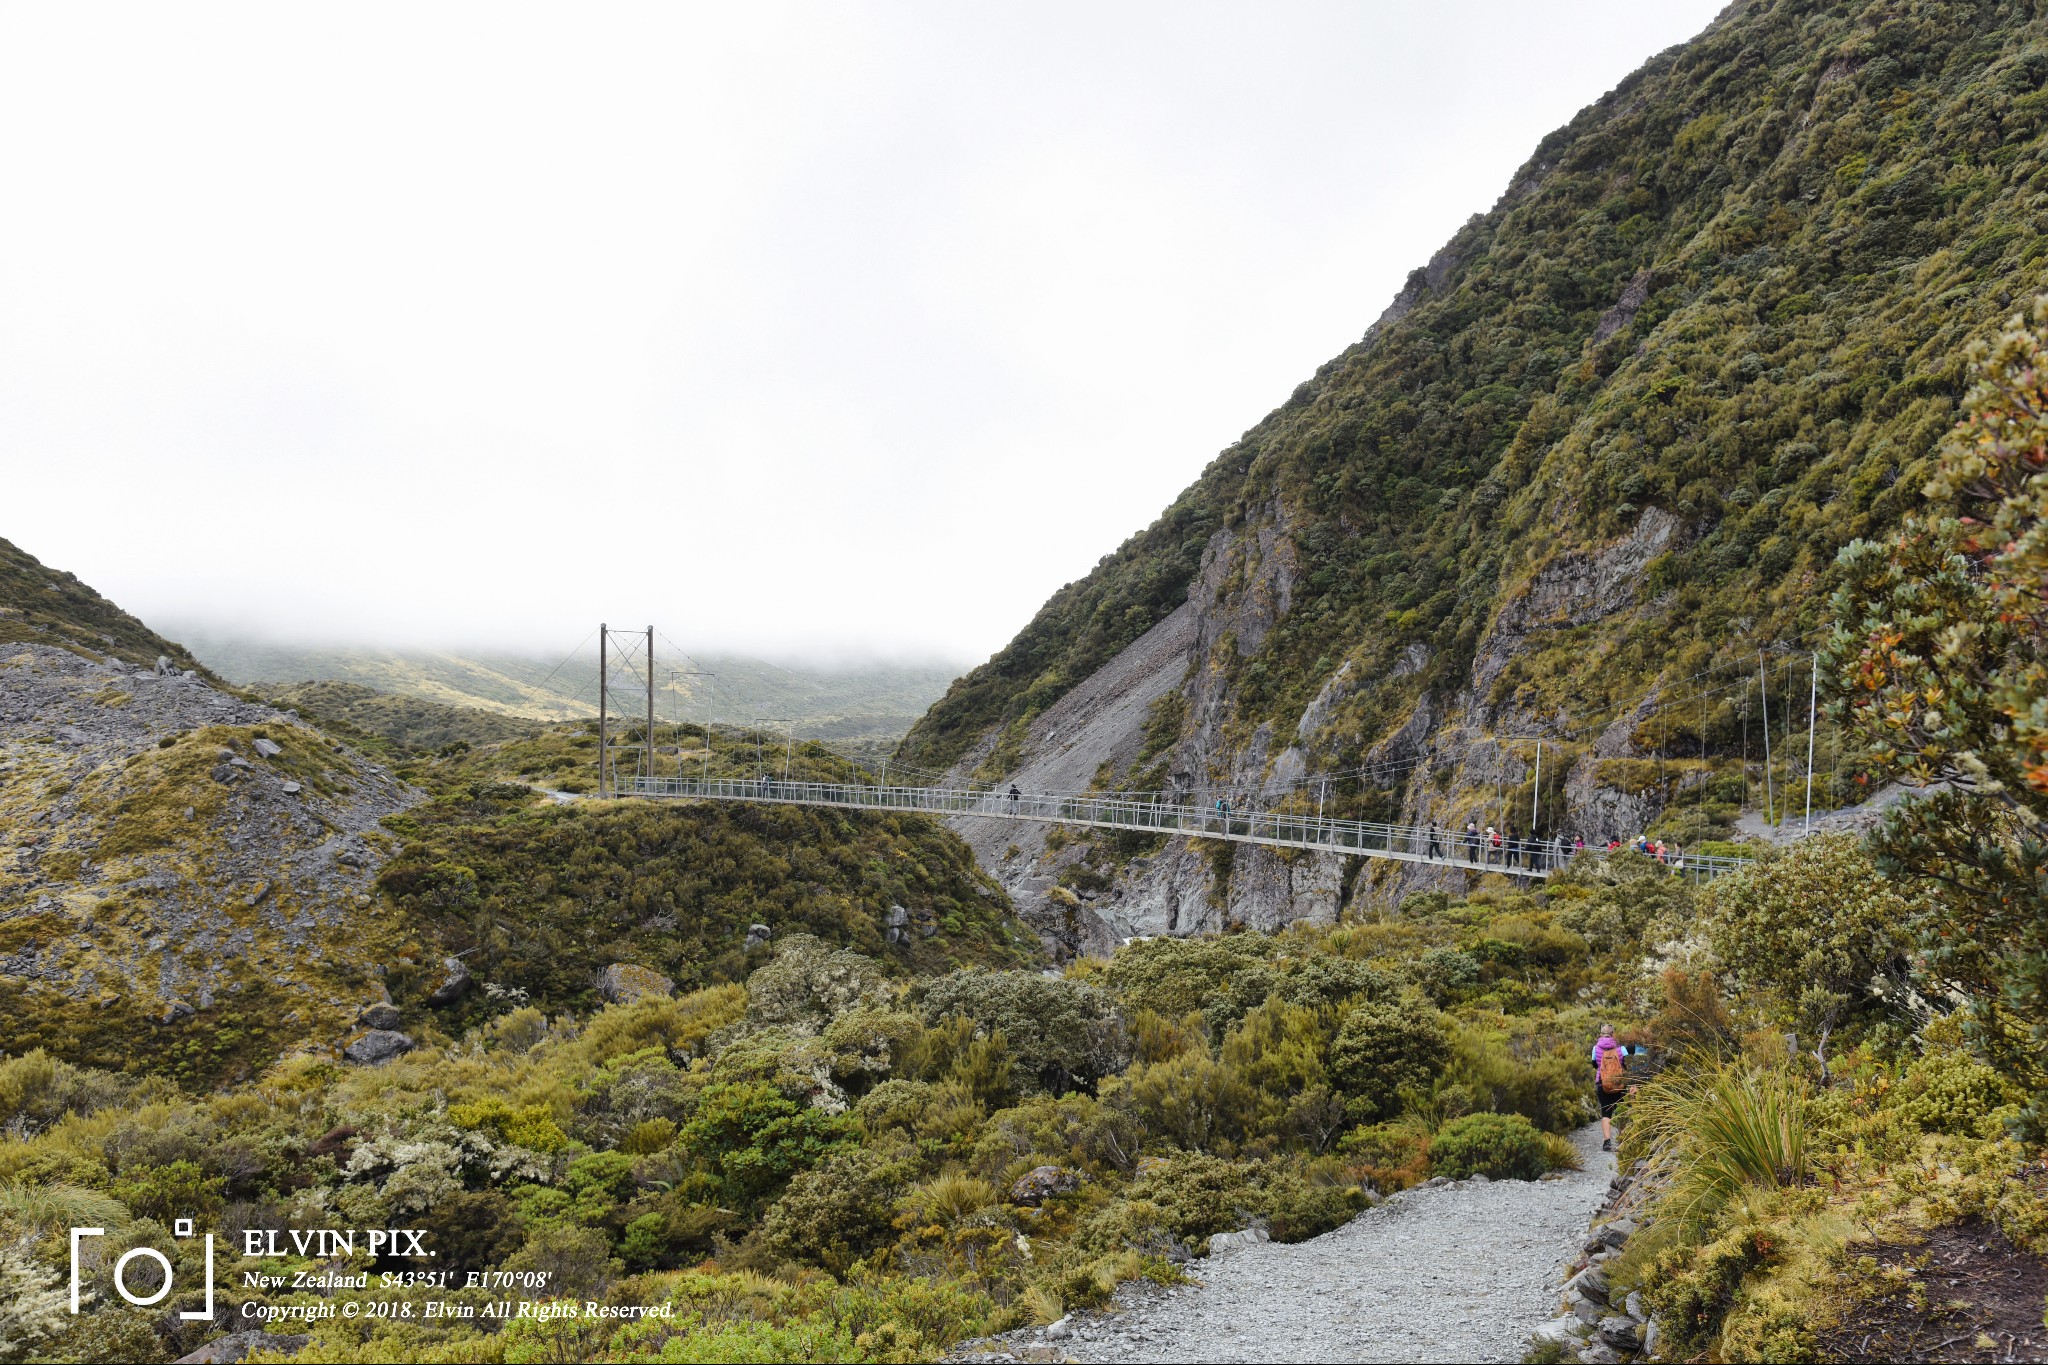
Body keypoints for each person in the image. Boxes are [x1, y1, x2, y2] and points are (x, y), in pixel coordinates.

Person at [1593, 1025, 1631, 1152]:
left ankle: (1607, 1141)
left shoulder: (1595, 1048)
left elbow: (1594, 1064)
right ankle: (1623, 1140)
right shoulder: (1621, 1049)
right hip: (1619, 1084)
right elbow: (1626, 1062)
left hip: (1602, 1083)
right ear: (1613, 1034)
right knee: (1622, 1111)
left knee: (1606, 1113)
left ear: (1601, 1034)